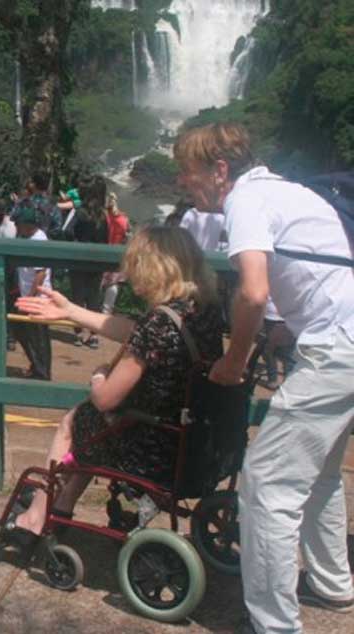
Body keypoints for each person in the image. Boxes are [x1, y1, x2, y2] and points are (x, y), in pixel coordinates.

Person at [173, 123, 354, 633]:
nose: (185, 184)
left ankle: (274, 625)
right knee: (318, 474)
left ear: (220, 171)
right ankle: (332, 583)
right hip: (346, 341)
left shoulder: (245, 202)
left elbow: (251, 293)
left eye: (188, 173)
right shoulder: (290, 191)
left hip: (335, 349)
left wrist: (233, 360)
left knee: (266, 486)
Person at [13, 226, 225, 538]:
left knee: (76, 422)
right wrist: (71, 311)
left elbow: (105, 399)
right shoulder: (202, 308)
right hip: (193, 440)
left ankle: (35, 517)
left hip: (152, 450)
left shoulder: (158, 322)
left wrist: (98, 376)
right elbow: (133, 330)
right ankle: (62, 509)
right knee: (95, 428)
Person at [11, 203, 52, 381]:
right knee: (21, 331)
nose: (16, 227)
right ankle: (36, 365)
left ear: (28, 225)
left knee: (38, 336)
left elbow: (40, 274)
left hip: (37, 298)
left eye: (18, 224)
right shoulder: (28, 238)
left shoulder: (39, 241)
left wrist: (29, 300)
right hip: (27, 295)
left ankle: (42, 372)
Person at [69, 176, 110, 349]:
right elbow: (106, 238)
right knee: (94, 298)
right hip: (97, 261)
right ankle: (94, 335)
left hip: (78, 260)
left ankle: (78, 333)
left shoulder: (79, 212)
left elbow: (67, 232)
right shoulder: (103, 215)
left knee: (77, 297)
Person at [101, 192, 131, 316]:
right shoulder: (124, 220)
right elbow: (128, 237)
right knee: (113, 284)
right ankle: (106, 311)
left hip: (102, 252)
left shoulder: (104, 218)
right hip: (116, 253)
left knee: (98, 282)